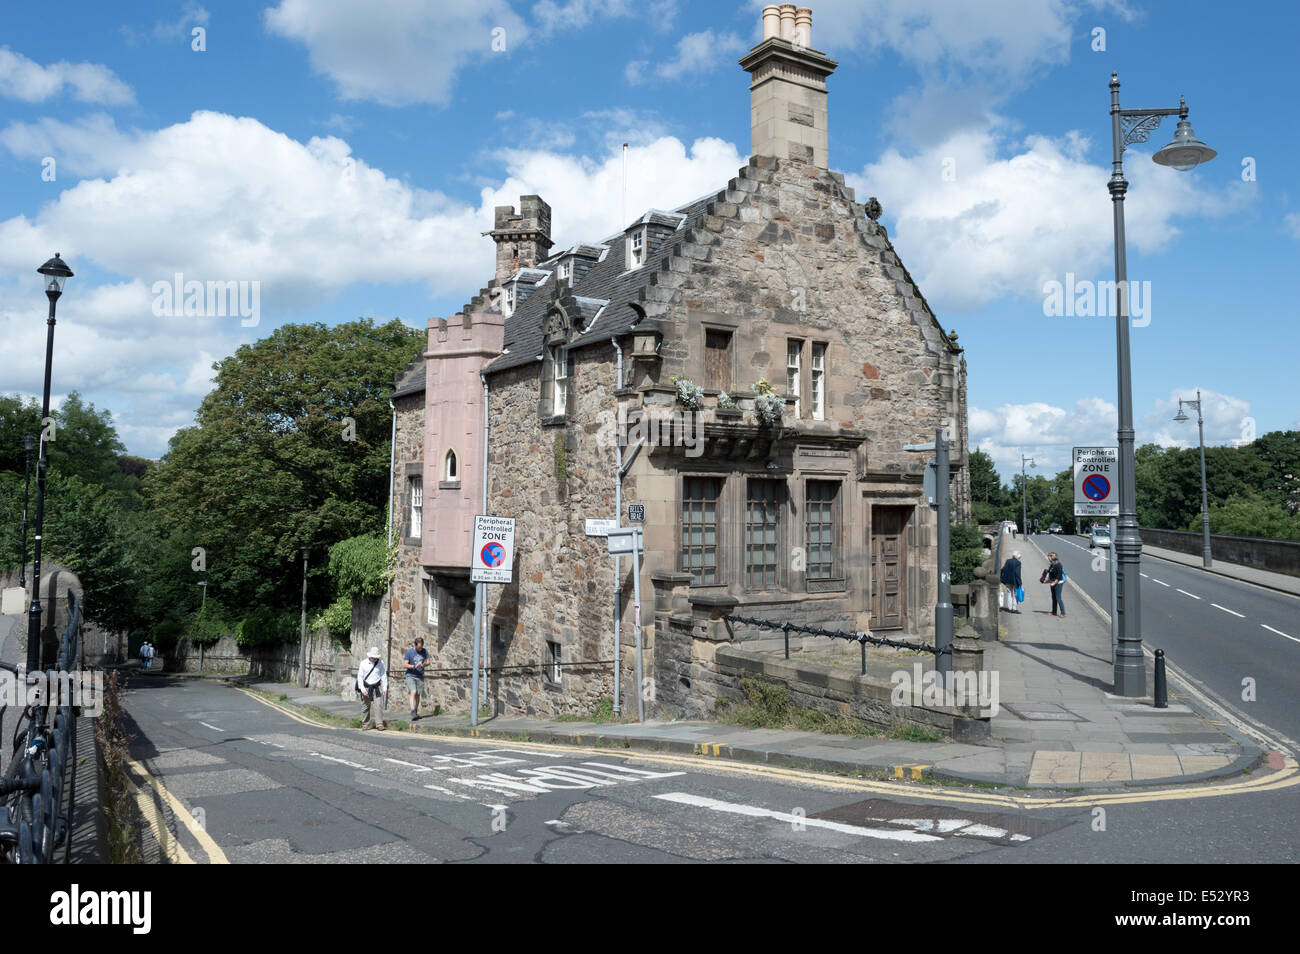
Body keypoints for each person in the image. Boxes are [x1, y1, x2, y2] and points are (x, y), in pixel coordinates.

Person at [356, 646, 388, 730]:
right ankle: (365, 724)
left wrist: (384, 688)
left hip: (377, 687)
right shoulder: (363, 663)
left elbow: (383, 675)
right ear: (370, 656)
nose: (374, 659)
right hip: (366, 687)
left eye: (376, 658)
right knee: (366, 706)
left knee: (378, 705)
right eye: (373, 657)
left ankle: (379, 724)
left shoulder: (380, 663)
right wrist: (362, 689)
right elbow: (360, 677)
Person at [403, 637, 430, 721]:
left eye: (421, 647)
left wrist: (423, 664)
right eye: (418, 648)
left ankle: (415, 712)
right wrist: (414, 666)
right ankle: (412, 710)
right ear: (415, 645)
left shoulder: (425, 651)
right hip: (410, 675)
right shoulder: (409, 652)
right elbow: (405, 665)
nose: (420, 649)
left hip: (420, 676)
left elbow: (428, 662)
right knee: (413, 691)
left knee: (418, 694)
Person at [1046, 552, 1066, 617]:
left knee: (1058, 597)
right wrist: (1047, 581)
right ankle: (1054, 612)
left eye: (1049, 557)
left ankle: (1063, 613)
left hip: (1058, 583)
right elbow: (1050, 573)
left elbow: (1059, 576)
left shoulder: (1059, 565)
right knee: (1054, 597)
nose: (1048, 558)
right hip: (1053, 582)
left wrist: (1054, 583)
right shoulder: (1052, 564)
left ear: (1052, 557)